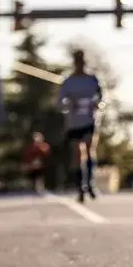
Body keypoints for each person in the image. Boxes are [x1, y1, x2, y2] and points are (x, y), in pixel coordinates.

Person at [58, 49, 103, 203]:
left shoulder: (92, 79)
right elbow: (61, 101)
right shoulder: (68, 81)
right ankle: (80, 188)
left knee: (89, 150)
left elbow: (100, 96)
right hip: (74, 123)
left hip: (89, 121)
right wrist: (70, 105)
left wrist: (96, 104)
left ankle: (90, 183)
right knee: (77, 154)